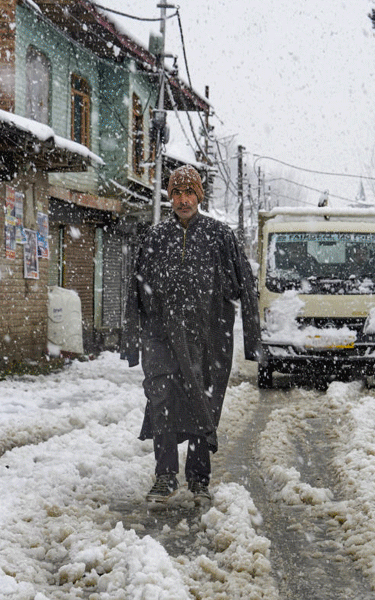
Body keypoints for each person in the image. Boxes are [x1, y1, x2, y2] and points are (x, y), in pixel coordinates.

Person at [122, 165, 260, 506]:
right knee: (161, 398)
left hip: (208, 336)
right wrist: (130, 341)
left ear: (199, 196)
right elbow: (134, 290)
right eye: (177, 194)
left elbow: (247, 285)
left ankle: (199, 478)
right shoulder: (155, 237)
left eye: (190, 193)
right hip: (161, 334)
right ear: (170, 197)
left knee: (202, 400)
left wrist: (252, 341)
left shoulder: (219, 236)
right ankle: (165, 475)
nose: (183, 200)